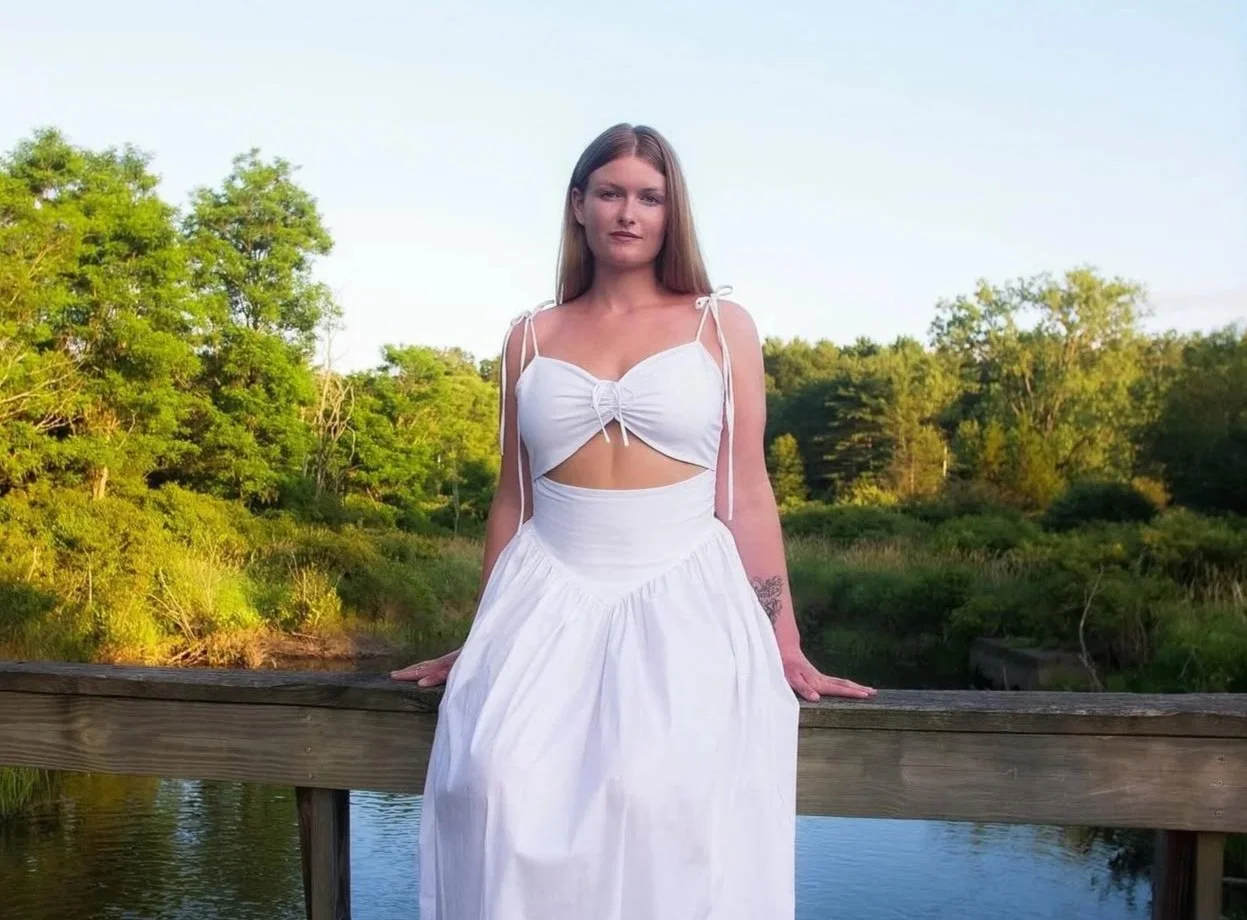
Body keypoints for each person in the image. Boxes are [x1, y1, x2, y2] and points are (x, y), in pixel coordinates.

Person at [391, 122, 875, 920]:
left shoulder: (720, 326)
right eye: (610, 193)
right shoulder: (528, 337)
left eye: (649, 197)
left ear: (670, 212)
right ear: (578, 205)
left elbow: (746, 493)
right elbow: (513, 498)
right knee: (495, 782)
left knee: (661, 798)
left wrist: (782, 642)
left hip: (682, 587)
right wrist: (484, 634)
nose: (628, 212)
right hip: (545, 590)